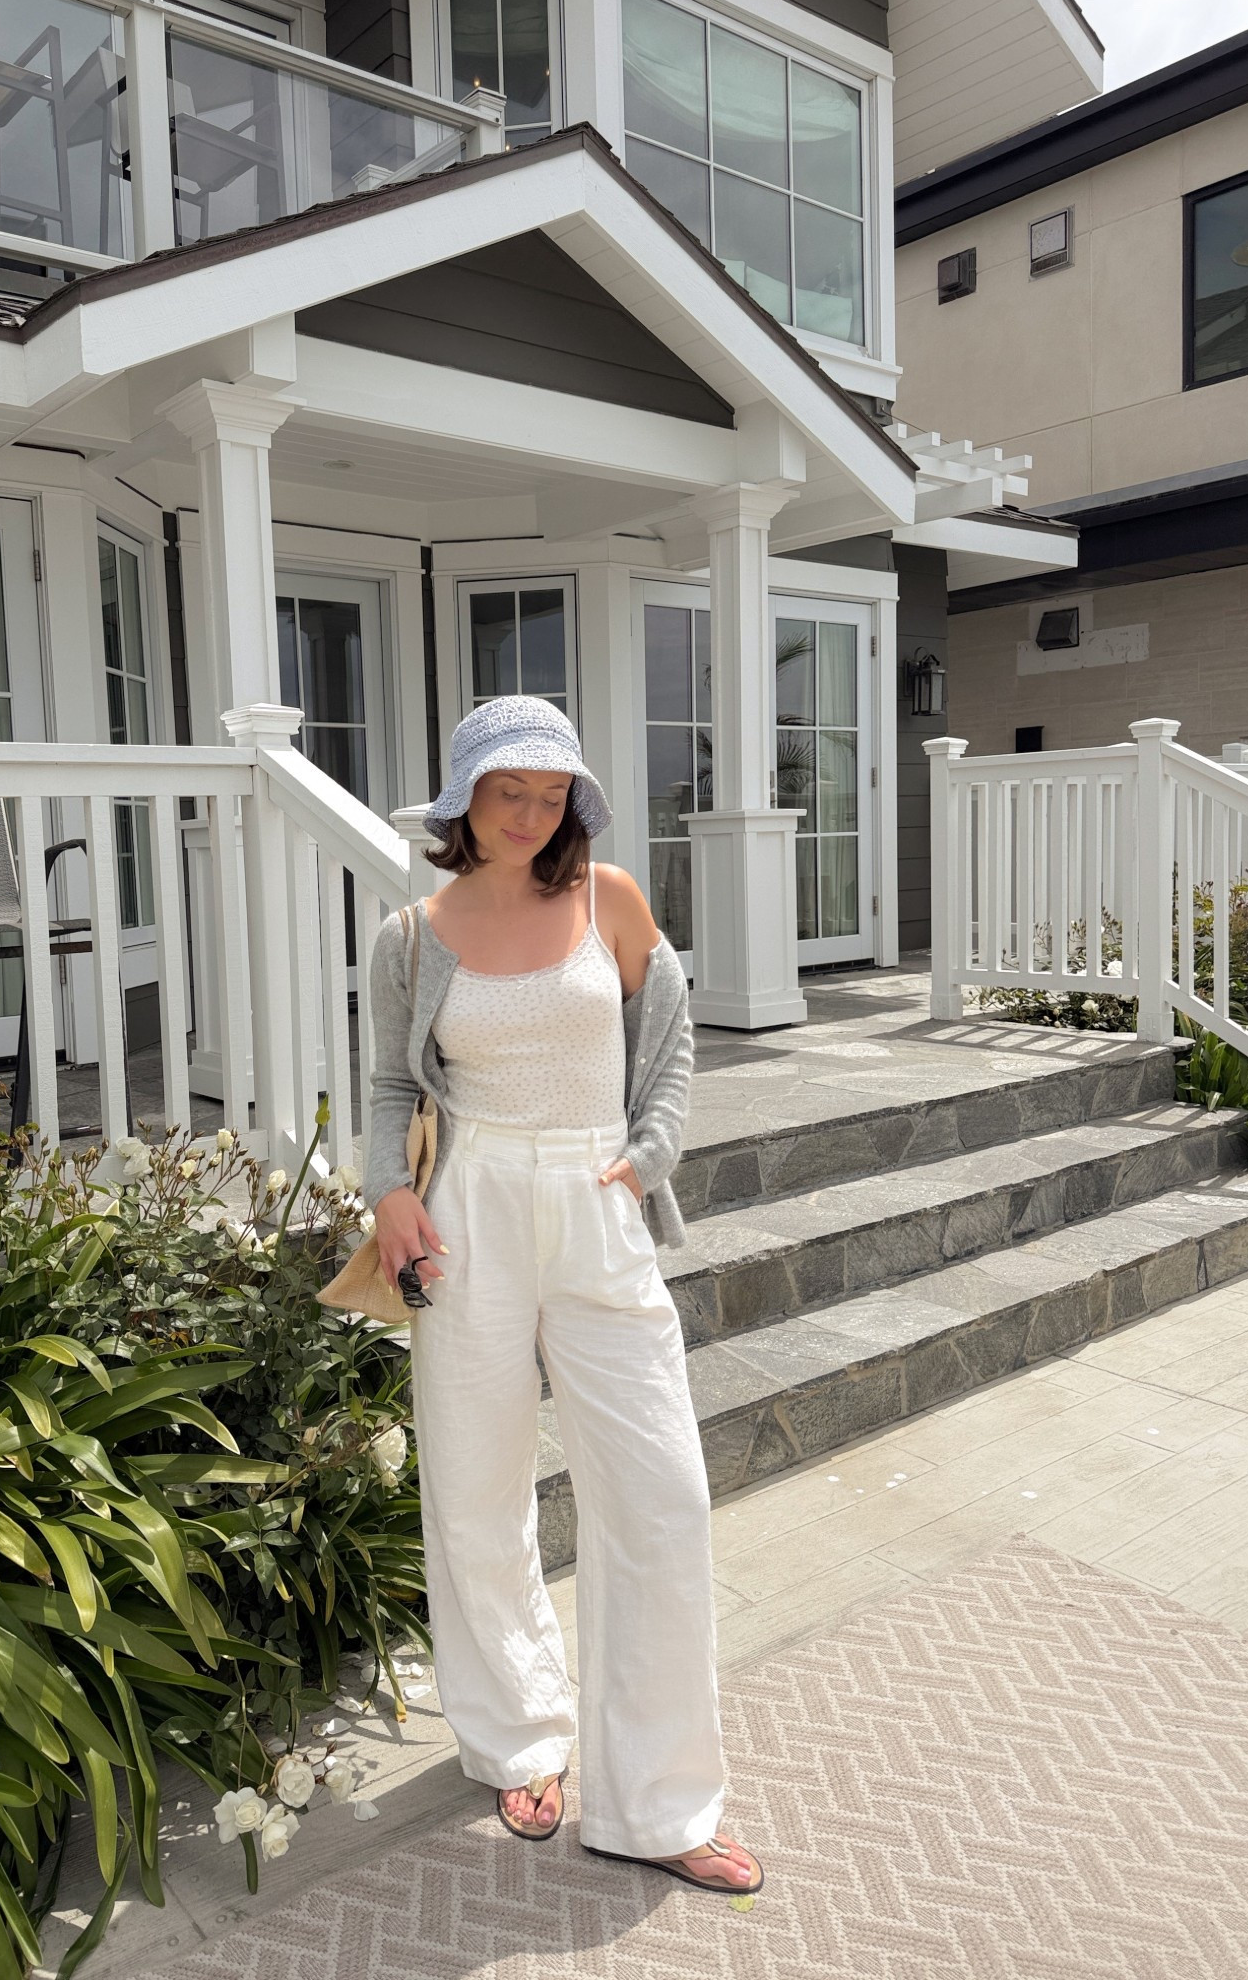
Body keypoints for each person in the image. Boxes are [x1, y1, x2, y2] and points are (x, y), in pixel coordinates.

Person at [362, 694, 762, 1895]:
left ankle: (661, 1799)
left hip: (598, 1200)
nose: (533, 815)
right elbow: (389, 1081)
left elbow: (675, 1034)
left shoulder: (611, 898)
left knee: (661, 1494)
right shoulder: (410, 934)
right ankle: (520, 1736)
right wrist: (390, 1194)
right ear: (463, 796)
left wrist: (654, 1152)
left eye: (552, 794)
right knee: (477, 1484)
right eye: (509, 792)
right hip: (471, 1204)